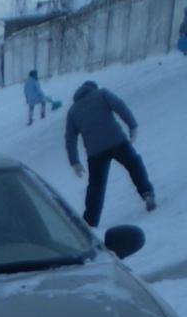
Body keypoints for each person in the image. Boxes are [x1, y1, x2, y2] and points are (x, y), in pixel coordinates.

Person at [64, 80, 156, 227]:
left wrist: (74, 161)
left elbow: (70, 138)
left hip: (95, 152)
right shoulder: (102, 94)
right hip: (116, 141)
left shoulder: (73, 111)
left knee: (96, 187)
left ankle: (90, 223)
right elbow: (120, 106)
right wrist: (132, 125)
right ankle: (147, 194)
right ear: (93, 88)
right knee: (134, 165)